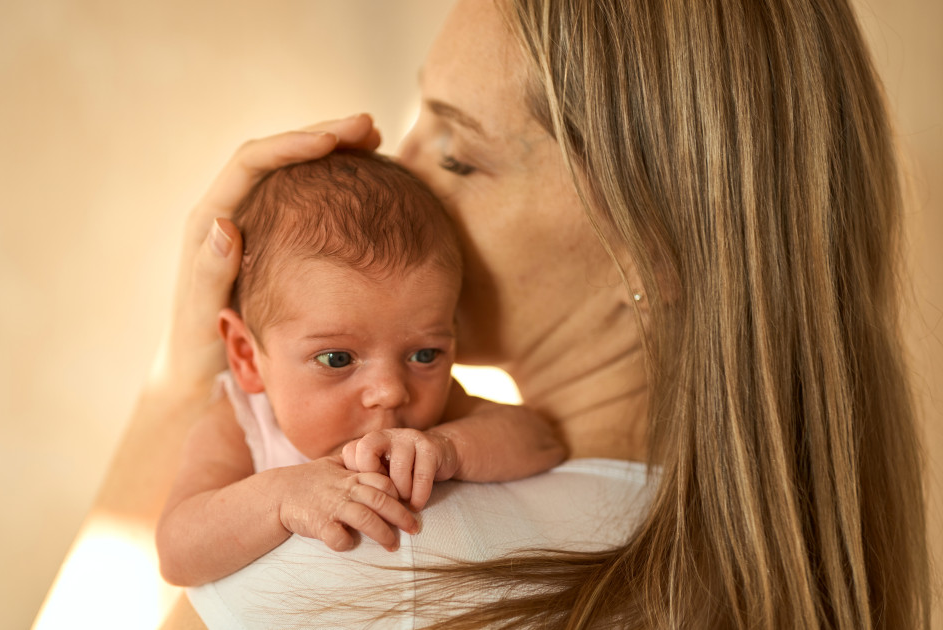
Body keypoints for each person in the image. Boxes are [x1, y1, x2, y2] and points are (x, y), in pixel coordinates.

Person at [46, 0, 931, 627]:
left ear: (650, 246)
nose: (398, 173)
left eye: (459, 155)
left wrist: (181, 380)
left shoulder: (354, 553)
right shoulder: (752, 563)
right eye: (415, 122)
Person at [154, 151, 566, 588]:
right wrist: (281, 498)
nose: (390, 391)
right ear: (244, 354)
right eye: (337, 359)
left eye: (425, 355)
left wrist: (450, 448)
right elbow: (177, 552)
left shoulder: (435, 422)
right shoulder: (242, 424)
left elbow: (540, 441)